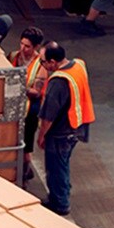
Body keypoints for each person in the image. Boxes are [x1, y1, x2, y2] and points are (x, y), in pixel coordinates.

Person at [37, 42, 94, 216]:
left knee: (55, 169)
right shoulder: (78, 65)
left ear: (53, 62)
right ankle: (62, 193)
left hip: (61, 132)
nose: (42, 66)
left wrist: (41, 136)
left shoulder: (59, 82)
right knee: (63, 164)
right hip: (78, 125)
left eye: (43, 62)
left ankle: (59, 203)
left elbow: (48, 116)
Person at [7, 26, 46, 184]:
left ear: (36, 47)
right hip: (12, 105)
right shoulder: (13, 56)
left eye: (27, 46)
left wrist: (17, 85)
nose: (23, 48)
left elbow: (36, 92)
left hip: (30, 109)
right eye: (21, 44)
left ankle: (25, 171)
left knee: (25, 143)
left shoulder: (40, 65)